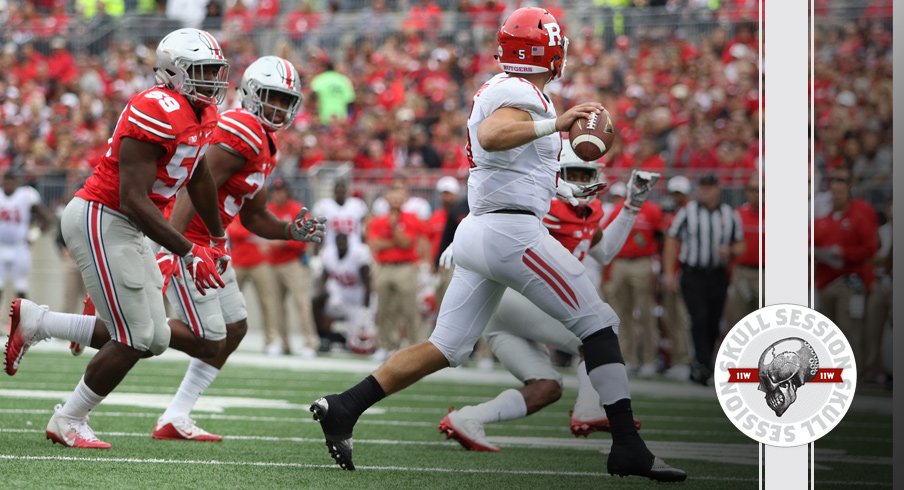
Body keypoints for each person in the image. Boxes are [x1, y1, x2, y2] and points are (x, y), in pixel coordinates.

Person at [308, 8, 685, 482]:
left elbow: (508, 165)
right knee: (600, 325)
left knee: (445, 346)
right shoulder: (518, 91)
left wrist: (562, 188)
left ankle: (345, 406)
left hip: (482, 230)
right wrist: (558, 123)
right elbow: (493, 135)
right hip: (510, 235)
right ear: (545, 51)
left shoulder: (507, 89)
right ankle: (628, 446)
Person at [7, 55, 326, 444]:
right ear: (254, 94)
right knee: (170, 336)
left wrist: (289, 229)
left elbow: (242, 207)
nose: (280, 107)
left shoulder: (244, 132)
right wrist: (177, 249)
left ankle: (57, 328)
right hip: (170, 236)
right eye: (274, 96)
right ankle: (71, 389)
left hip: (192, 241)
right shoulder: (234, 126)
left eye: (286, 99)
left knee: (211, 329)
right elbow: (189, 185)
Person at [4, 28, 231, 448]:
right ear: (172, 72)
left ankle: (40, 322)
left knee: (156, 337)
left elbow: (197, 172)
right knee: (137, 336)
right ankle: (68, 419)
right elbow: (131, 199)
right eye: (201, 71)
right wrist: (188, 250)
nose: (211, 79)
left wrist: (215, 236)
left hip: (128, 223)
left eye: (215, 70)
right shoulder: (155, 107)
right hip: (104, 216)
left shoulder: (204, 114)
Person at [438, 148, 655, 451]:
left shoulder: (590, 213)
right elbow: (500, 216)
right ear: (556, 175)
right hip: (513, 298)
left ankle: (468, 418)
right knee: (595, 337)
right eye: (572, 174)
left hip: (508, 315)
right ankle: (589, 409)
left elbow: (603, 252)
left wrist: (631, 206)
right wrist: (463, 238)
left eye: (585, 175)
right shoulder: (545, 206)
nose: (579, 182)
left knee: (546, 387)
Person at [663, 173, 745, 386]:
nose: (705, 191)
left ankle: (705, 364)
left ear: (718, 189)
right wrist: (670, 272)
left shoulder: (729, 214)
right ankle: (700, 364)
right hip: (693, 274)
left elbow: (741, 244)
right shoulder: (687, 212)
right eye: (702, 187)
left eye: (709, 187)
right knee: (698, 318)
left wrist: (731, 250)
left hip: (717, 275)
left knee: (712, 322)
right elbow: (672, 240)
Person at [814, 165, 879, 375]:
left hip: (849, 281)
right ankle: (830, 372)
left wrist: (844, 253)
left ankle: (852, 373)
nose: (837, 196)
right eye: (833, 192)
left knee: (848, 329)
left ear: (848, 192)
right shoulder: (823, 220)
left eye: (840, 192)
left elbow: (870, 248)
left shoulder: (859, 217)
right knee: (827, 331)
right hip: (825, 281)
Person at [602, 177, 663, 377]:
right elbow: (607, 238)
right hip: (620, 262)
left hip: (642, 262)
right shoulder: (620, 207)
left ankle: (649, 360)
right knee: (621, 314)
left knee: (646, 313)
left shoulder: (653, 210)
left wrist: (657, 267)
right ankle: (628, 358)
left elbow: (661, 238)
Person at [365, 183, 427, 362]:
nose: (395, 200)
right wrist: (395, 239)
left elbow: (407, 243)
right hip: (384, 266)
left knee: (409, 309)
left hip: (405, 267)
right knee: (384, 309)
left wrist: (392, 230)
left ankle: (414, 346)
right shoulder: (377, 220)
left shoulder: (411, 218)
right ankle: (385, 345)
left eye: (399, 196)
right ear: (386, 198)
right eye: (392, 196)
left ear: (405, 198)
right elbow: (375, 245)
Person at [266, 179, 320, 358]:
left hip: (293, 263)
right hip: (273, 263)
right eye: (275, 190)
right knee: (277, 306)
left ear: (287, 192)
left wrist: (284, 241)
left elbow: (307, 236)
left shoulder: (296, 209)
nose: (278, 194)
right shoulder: (269, 209)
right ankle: (283, 343)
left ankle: (311, 342)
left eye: (281, 190)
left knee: (302, 304)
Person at [314, 233, 373, 354]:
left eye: (343, 242)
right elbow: (323, 279)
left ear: (348, 243)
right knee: (317, 301)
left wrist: (365, 308)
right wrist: (324, 293)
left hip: (357, 301)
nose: (341, 245)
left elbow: (368, 283)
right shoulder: (329, 254)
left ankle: (345, 340)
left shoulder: (358, 255)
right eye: (338, 242)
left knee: (357, 344)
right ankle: (325, 338)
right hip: (340, 298)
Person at [0, 172, 52, 300]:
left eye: (11, 182)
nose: (8, 186)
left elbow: (46, 218)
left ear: (16, 183)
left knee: (21, 287)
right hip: (1, 246)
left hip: (20, 247)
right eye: (6, 182)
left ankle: (21, 319)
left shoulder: (25, 195)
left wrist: (34, 235)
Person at [658, 176, 691, 375]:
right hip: (667, 270)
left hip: (683, 269)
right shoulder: (667, 215)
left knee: (681, 317)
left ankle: (684, 360)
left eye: (679, 194)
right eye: (674, 193)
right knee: (669, 317)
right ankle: (675, 359)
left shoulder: (690, 214)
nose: (676, 197)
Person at [722, 174, 762, 332]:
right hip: (742, 272)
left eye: (762, 190)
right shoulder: (737, 215)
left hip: (768, 273)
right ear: (746, 192)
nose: (757, 193)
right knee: (740, 321)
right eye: (753, 190)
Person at [312, 179, 369, 251]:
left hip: (354, 248)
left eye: (342, 190)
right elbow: (319, 231)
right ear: (334, 191)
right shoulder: (324, 206)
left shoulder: (357, 205)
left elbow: (363, 230)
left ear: (346, 191)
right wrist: (316, 250)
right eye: (338, 191)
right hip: (331, 248)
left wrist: (364, 245)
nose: (340, 193)